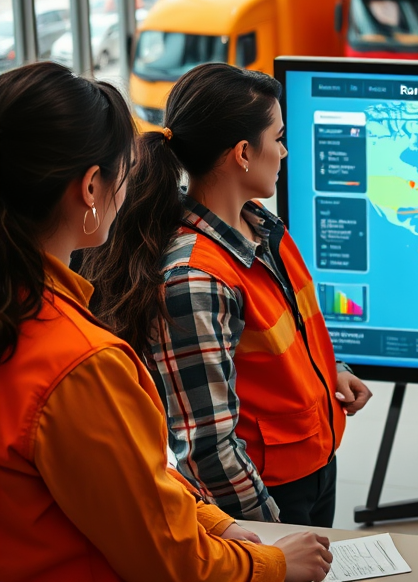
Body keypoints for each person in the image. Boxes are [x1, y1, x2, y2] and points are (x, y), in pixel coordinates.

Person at [0, 62, 333, 582]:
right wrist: (271, 556)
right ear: (90, 189)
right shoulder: (79, 363)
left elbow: (131, 485)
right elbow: (166, 555)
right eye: (121, 173)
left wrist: (211, 520)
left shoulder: (26, 317)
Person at [85, 63, 372, 527]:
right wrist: (270, 534)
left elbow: (283, 336)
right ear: (242, 153)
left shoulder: (264, 228)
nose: (284, 151)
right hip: (268, 493)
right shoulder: (195, 280)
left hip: (316, 464)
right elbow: (207, 447)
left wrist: (327, 371)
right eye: (278, 138)